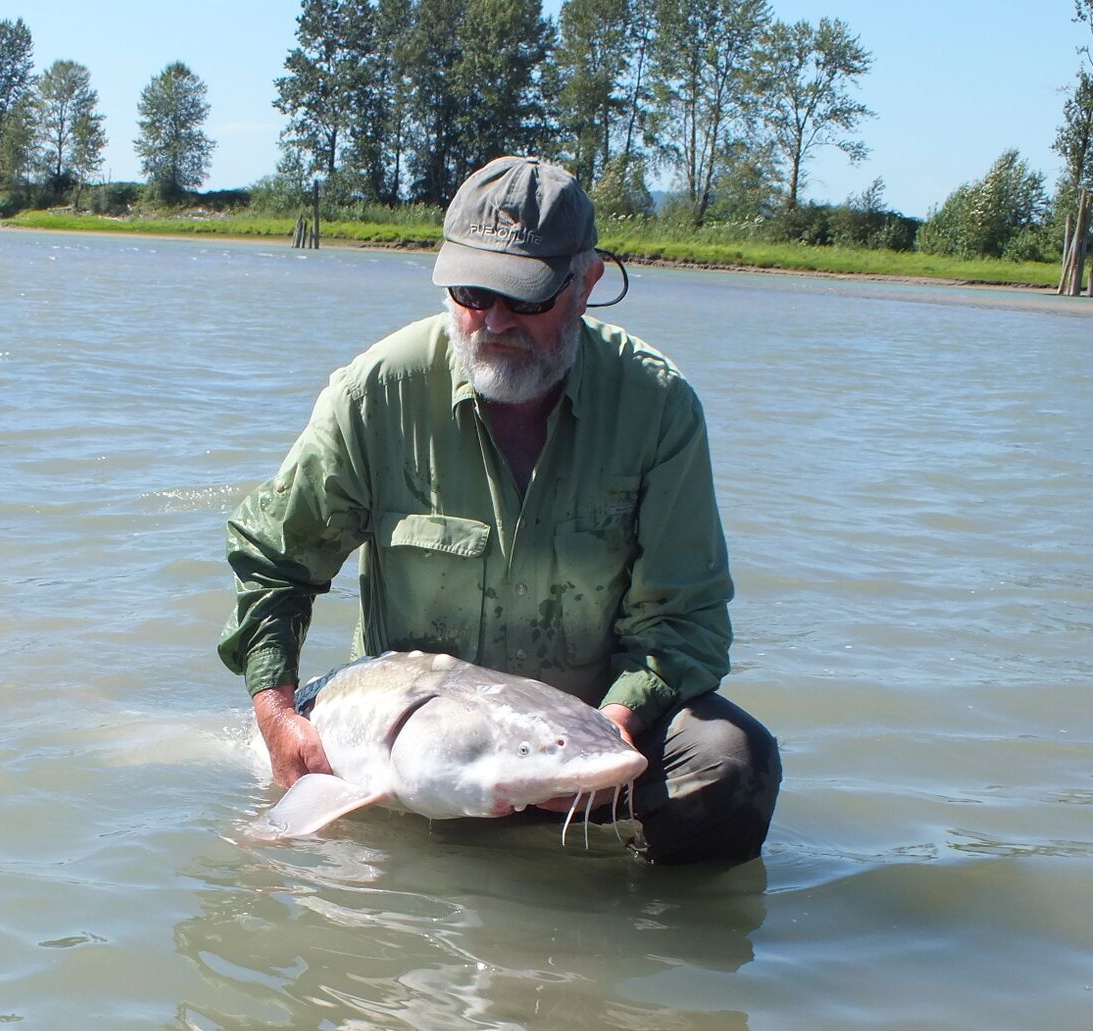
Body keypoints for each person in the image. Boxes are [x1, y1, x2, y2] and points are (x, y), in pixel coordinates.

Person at [218, 155, 780, 864]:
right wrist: (276, 717)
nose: (494, 320)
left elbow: (687, 623)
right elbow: (275, 560)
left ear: (586, 285)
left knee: (732, 761)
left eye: (527, 297)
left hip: (588, 734)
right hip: (416, 735)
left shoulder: (659, 410)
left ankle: (625, 913)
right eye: (472, 292)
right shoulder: (378, 393)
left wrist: (615, 729)